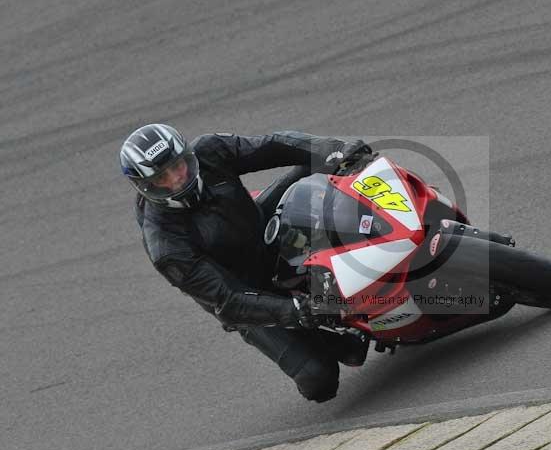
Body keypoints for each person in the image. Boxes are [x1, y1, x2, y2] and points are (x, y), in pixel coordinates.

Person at [120, 123, 371, 402]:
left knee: (324, 162)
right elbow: (228, 300)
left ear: (187, 153)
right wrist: (297, 311)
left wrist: (333, 149)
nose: (177, 178)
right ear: (146, 187)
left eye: (178, 165)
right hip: (243, 292)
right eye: (162, 178)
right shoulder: (166, 245)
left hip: (259, 229)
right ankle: (326, 341)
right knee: (318, 379)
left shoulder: (209, 151)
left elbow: (274, 144)